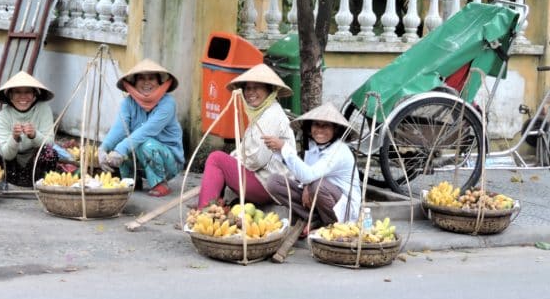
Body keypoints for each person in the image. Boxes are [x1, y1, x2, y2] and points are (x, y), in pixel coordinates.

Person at [197, 63, 296, 209]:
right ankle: (212, 204)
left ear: (269, 90)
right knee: (222, 163)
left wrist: (233, 162)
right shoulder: (259, 113)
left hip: (269, 184)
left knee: (216, 159)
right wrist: (233, 160)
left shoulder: (272, 115)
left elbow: (257, 160)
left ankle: (203, 211)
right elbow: (244, 149)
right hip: (260, 180)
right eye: (248, 88)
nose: (251, 92)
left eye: (257, 87)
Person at [263, 102, 361, 229]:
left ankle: (332, 224)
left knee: (317, 185)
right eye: (316, 125)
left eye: (325, 126)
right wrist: (305, 186)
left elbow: (309, 176)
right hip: (318, 198)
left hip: (343, 207)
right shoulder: (314, 147)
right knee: (274, 182)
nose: (319, 130)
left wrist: (284, 147)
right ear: (310, 127)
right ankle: (314, 219)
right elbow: (306, 174)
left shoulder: (339, 151)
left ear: (335, 130)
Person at [98, 59, 184, 197]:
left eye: (151, 78)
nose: (146, 82)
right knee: (125, 143)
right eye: (141, 79)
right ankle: (132, 180)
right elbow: (120, 128)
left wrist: (120, 150)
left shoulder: (167, 103)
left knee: (144, 144)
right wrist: (103, 148)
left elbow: (148, 130)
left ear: (159, 82)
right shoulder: (128, 103)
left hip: (169, 161)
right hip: (141, 155)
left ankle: (160, 183)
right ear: (134, 83)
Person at [0, 70, 59, 187]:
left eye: (28, 92)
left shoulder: (43, 110)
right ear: (10, 96)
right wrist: (14, 138)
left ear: (34, 95)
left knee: (50, 153)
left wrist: (34, 135)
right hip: (11, 167)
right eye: (17, 92)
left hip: (33, 168)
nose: (23, 97)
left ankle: (35, 183)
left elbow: (50, 143)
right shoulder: (2, 117)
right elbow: (7, 154)